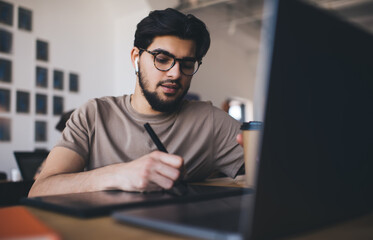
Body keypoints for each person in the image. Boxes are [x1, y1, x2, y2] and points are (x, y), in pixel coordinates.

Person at [29, 8, 244, 197]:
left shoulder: (210, 121)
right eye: (162, 59)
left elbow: (269, 172)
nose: (175, 73)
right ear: (136, 58)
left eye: (187, 63)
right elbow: (39, 190)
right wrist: (118, 174)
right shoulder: (93, 115)